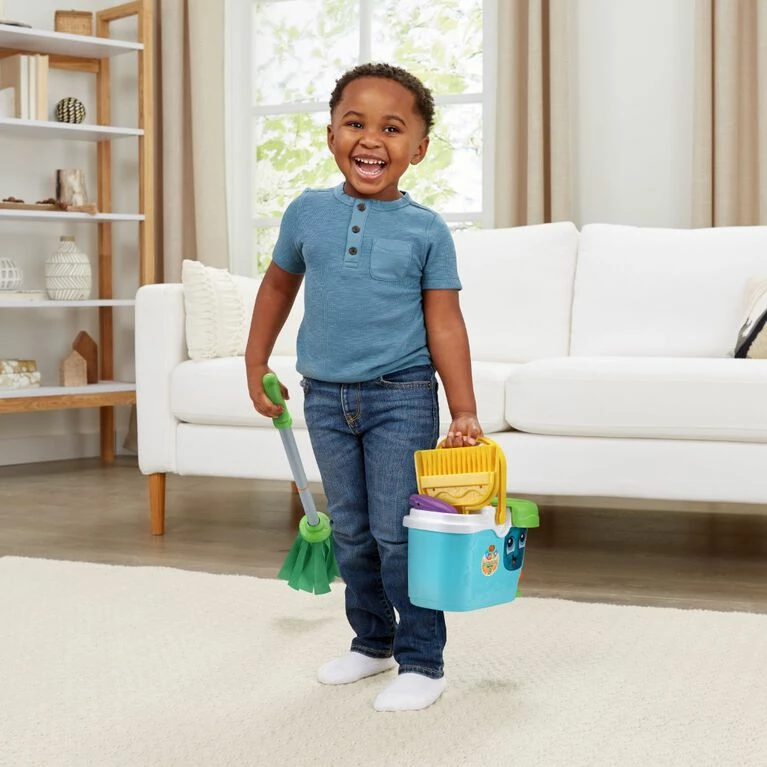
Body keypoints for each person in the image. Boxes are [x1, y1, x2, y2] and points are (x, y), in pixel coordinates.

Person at [245, 62, 482, 712]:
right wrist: (254, 360)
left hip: (400, 394)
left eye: (392, 128)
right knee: (350, 530)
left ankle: (423, 660)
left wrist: (462, 407)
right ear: (331, 135)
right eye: (355, 123)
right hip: (324, 394)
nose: (371, 139)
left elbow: (445, 321)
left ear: (419, 149)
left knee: (398, 531)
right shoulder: (306, 213)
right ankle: (371, 641)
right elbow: (276, 287)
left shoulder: (426, 229)